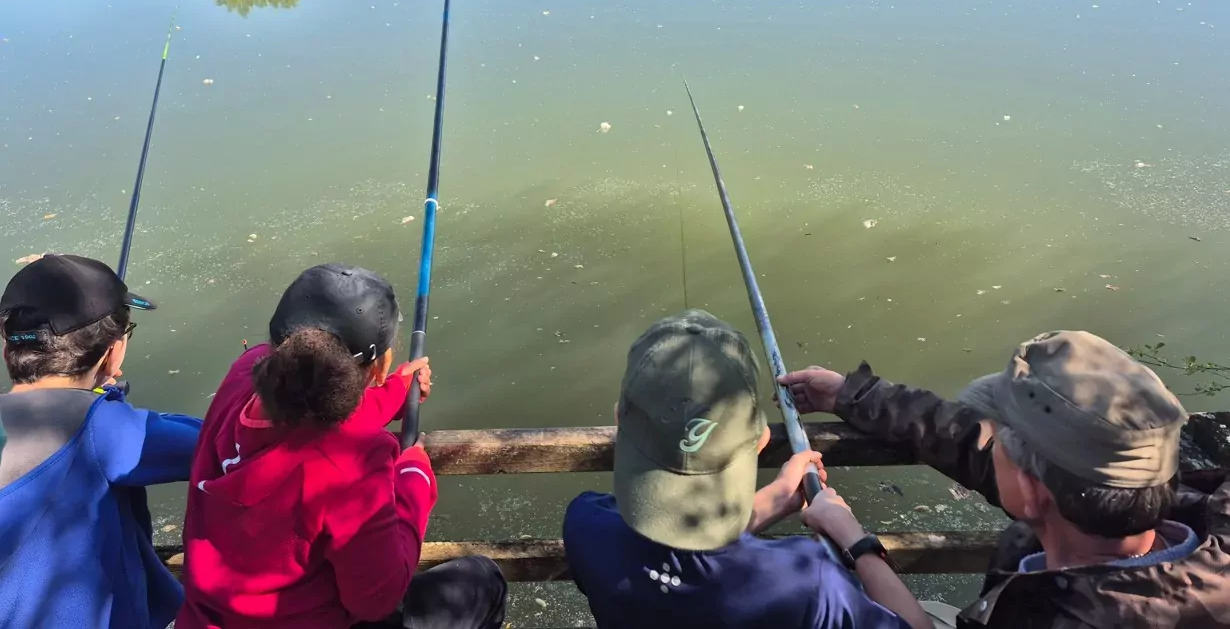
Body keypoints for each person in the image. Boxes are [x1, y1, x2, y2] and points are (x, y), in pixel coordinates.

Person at [781, 330, 1230, 627]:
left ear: (1034, 492)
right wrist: (854, 395)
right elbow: (977, 447)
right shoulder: (1190, 509)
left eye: (1004, 441)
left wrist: (857, 543)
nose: (991, 443)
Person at [178, 263, 507, 629]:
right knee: (482, 580)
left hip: (204, 617)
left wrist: (395, 393)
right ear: (379, 366)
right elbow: (377, 597)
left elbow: (307, 410)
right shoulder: (354, 463)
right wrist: (414, 479)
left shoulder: (244, 372)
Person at [563, 309, 932, 629]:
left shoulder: (585, 525)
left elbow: (675, 566)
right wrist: (856, 542)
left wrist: (773, 501)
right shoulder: (808, 585)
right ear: (760, 439)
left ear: (618, 419)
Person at [0, 254, 203, 629]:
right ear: (113, 353)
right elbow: (214, 443)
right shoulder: (101, 427)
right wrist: (104, 403)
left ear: (8, 349)